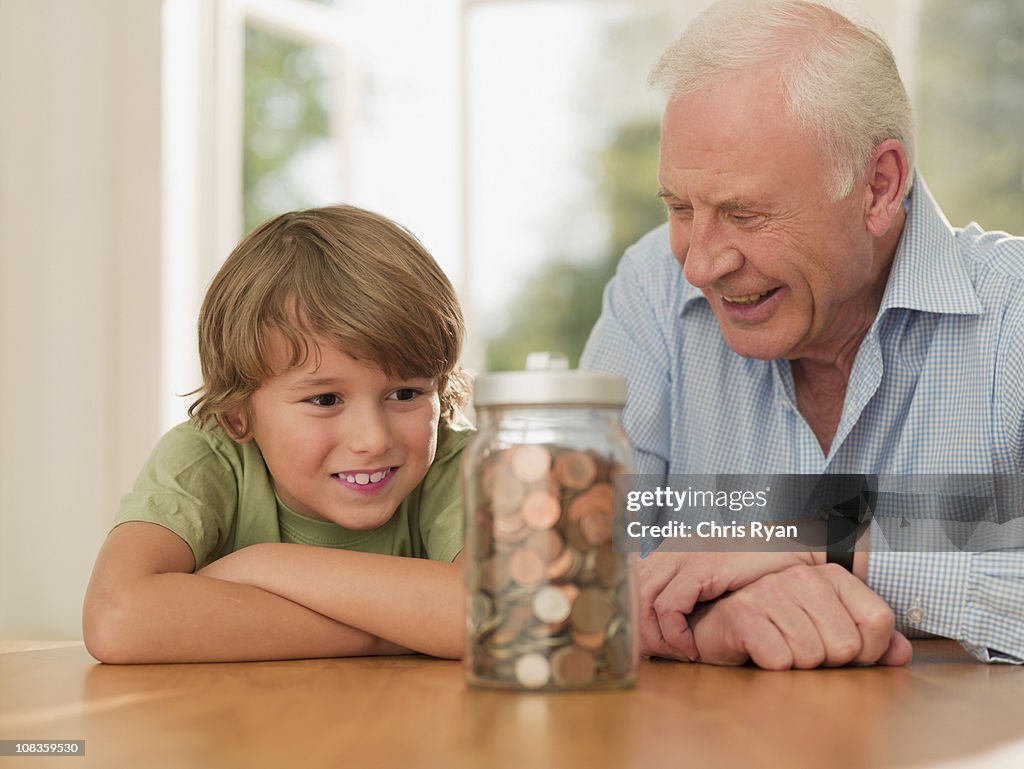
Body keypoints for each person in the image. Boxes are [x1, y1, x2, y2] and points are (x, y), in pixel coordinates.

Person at [582, 0, 1024, 667]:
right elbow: (559, 568)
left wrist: (821, 538)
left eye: (745, 213)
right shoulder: (652, 286)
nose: (701, 264)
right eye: (680, 208)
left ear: (879, 186)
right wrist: (715, 621)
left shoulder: (1014, 315)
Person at [83, 205, 472, 663]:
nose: (373, 439)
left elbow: (498, 614)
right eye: (326, 400)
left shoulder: (462, 467)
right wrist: (398, 630)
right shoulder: (206, 458)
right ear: (237, 415)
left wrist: (261, 565)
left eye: (405, 393)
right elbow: (118, 619)